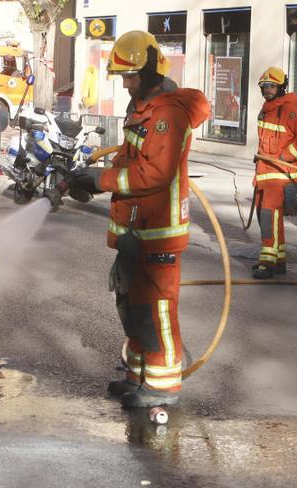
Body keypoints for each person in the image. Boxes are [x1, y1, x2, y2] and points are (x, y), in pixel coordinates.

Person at [65, 31, 210, 408]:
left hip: (156, 231)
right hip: (135, 228)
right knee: (129, 304)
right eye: (122, 76)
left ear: (149, 70)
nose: (126, 83)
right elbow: (129, 161)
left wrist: (103, 180)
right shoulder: (142, 108)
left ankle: (161, 386)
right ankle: (137, 376)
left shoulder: (168, 114)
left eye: (130, 76)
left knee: (154, 308)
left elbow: (155, 174)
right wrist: (92, 181)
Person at [251, 67, 297, 279]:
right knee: (269, 217)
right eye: (264, 87)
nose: (267, 90)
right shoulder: (266, 110)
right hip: (265, 172)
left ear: (280, 87)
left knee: (268, 214)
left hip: (280, 174)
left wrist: (286, 155)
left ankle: (267, 262)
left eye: (271, 86)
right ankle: (279, 260)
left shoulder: (289, 111)